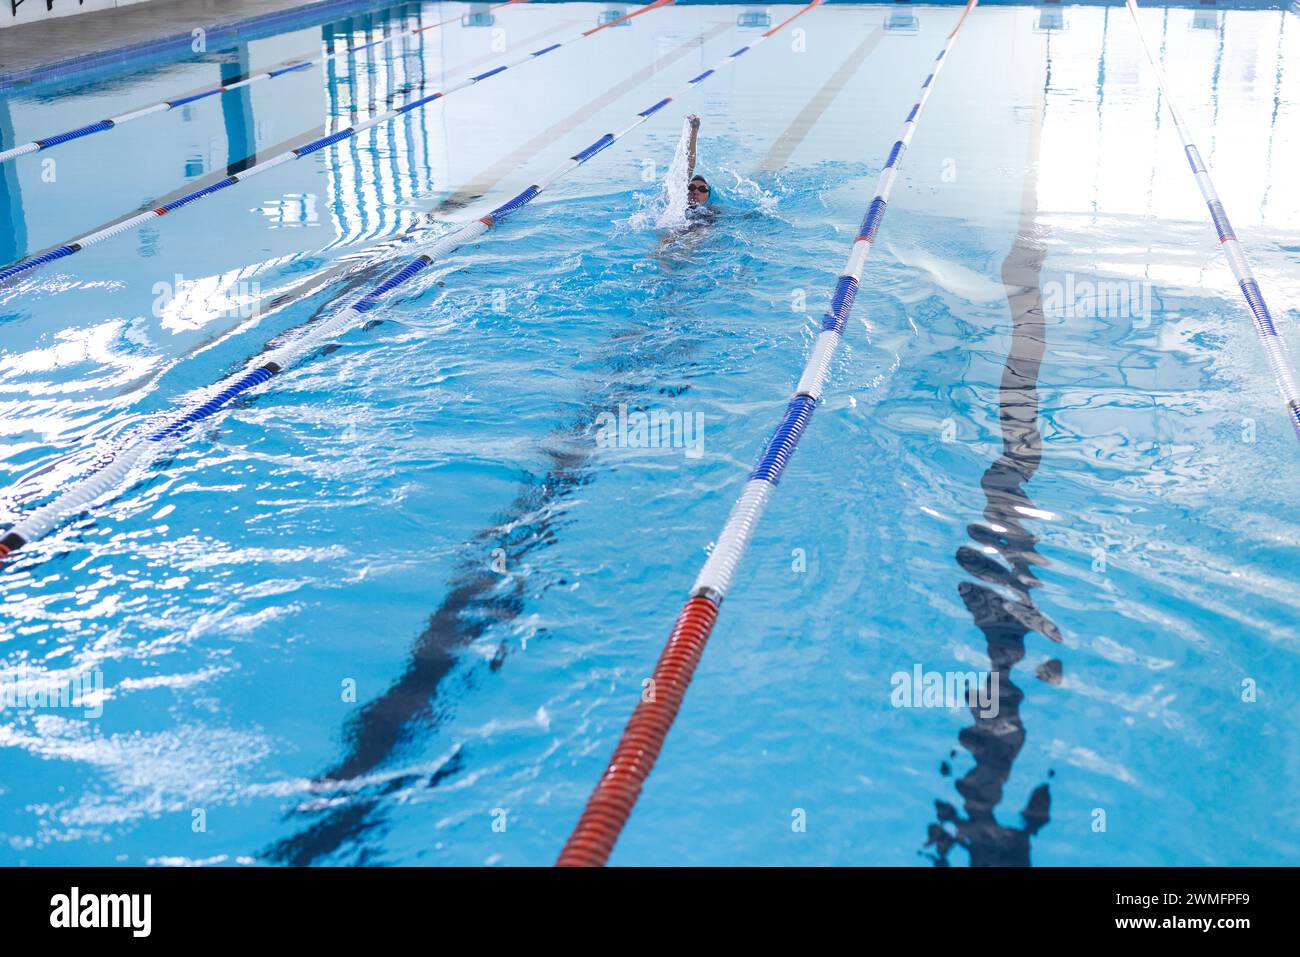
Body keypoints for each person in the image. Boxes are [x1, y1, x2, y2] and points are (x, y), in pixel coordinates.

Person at [684, 114, 710, 209]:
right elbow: (689, 166)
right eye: (691, 187)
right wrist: (694, 130)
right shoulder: (678, 207)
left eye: (702, 189)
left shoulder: (714, 211)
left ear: (708, 195)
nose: (695, 191)